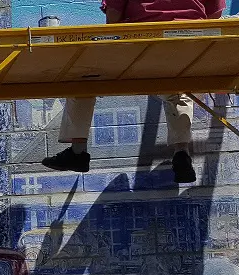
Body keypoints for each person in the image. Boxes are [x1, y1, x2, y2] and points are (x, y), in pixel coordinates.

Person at [41, 0, 224, 184]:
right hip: (192, 50)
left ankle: (78, 152)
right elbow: (215, 15)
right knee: (177, 88)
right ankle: (182, 152)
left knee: (82, 76)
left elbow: (113, 19)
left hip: (141, 49)